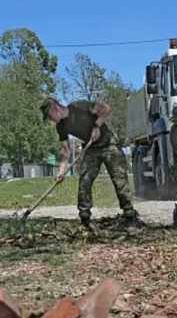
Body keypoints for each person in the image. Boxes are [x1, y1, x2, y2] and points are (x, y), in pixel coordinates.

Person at [40, 96, 137, 230]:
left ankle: (130, 215)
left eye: (49, 116)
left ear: (55, 108)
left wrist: (97, 126)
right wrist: (61, 172)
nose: (50, 120)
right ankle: (85, 218)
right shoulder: (61, 126)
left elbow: (106, 109)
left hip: (108, 144)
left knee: (119, 180)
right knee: (84, 180)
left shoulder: (79, 107)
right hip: (91, 149)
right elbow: (65, 151)